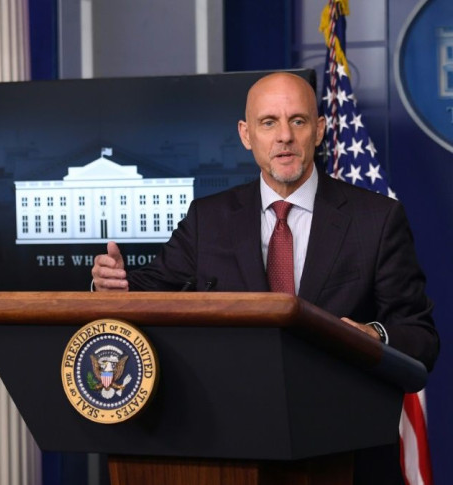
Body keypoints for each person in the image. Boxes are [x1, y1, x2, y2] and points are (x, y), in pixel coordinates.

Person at [91, 72, 439, 484]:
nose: (284, 137)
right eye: (268, 122)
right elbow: (145, 290)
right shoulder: (208, 219)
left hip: (346, 453)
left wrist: (374, 337)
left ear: (320, 130)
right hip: (230, 449)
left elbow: (419, 335)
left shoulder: (376, 220)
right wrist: (108, 284)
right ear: (246, 134)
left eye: (298, 120)